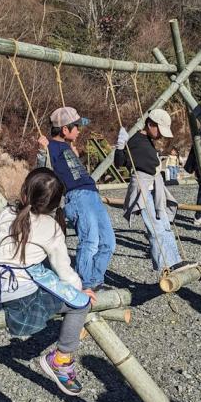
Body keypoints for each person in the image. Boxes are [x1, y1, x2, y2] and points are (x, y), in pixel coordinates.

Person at [0, 168, 95, 396]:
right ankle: (61, 359)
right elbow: (64, 270)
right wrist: (81, 291)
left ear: (24, 191)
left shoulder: (7, 214)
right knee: (81, 304)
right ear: (54, 205)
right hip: (18, 296)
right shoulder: (50, 227)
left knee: (36, 272)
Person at [36, 107, 115, 290]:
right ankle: (86, 283)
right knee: (90, 241)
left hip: (92, 194)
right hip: (76, 195)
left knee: (108, 242)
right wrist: (41, 151)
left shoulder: (68, 146)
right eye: (76, 127)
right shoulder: (49, 146)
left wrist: (74, 154)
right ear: (65, 129)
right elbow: (41, 173)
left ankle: (95, 280)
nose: (79, 130)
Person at [114, 109, 197, 273]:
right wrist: (120, 146)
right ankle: (166, 265)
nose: (160, 135)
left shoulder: (147, 140)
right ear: (150, 124)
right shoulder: (137, 140)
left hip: (153, 186)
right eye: (159, 129)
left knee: (164, 224)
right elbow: (120, 162)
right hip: (143, 187)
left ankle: (175, 260)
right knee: (155, 228)